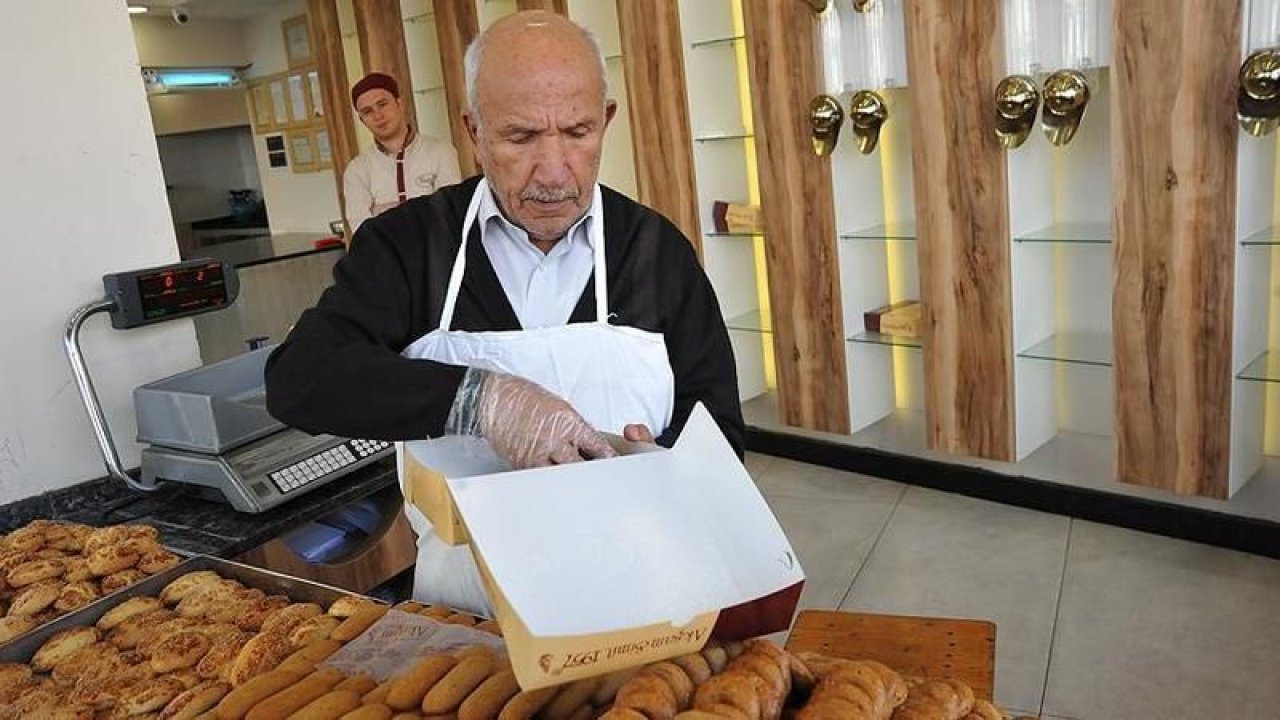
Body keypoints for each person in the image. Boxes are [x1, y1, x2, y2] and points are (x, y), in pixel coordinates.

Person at [265, 11, 743, 612]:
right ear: (474, 129)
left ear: (607, 121)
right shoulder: (410, 246)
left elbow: (720, 426)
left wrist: (660, 467)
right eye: (520, 137)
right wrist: (476, 399)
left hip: (643, 592)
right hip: (471, 613)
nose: (553, 171)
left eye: (577, 132)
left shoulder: (655, 250)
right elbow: (298, 377)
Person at [343, 72, 462, 234]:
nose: (378, 116)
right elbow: (363, 232)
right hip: (387, 257)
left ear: (399, 104)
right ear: (362, 120)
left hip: (439, 253)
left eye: (383, 104)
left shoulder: (441, 152)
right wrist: (423, 207)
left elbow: (448, 214)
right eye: (368, 111)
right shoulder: (357, 170)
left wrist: (382, 211)